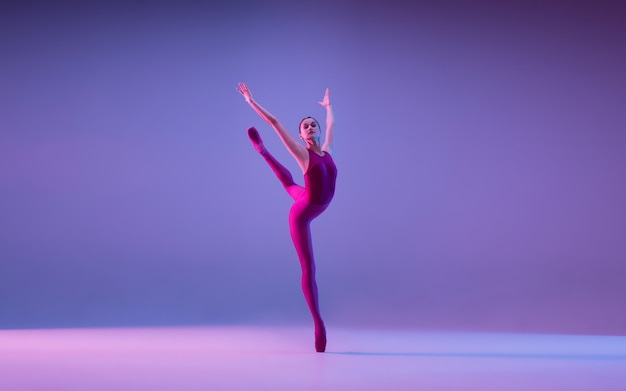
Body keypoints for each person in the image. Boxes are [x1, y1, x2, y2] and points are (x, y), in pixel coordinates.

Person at [236, 82, 336, 352]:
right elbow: (274, 122)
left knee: (292, 186)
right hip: (302, 214)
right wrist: (250, 101)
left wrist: (328, 108)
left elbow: (330, 126)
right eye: (306, 126)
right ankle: (318, 323)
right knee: (309, 268)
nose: (311, 127)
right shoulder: (302, 153)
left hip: (311, 199)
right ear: (300, 135)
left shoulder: (327, 150)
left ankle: (262, 152)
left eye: (313, 124)